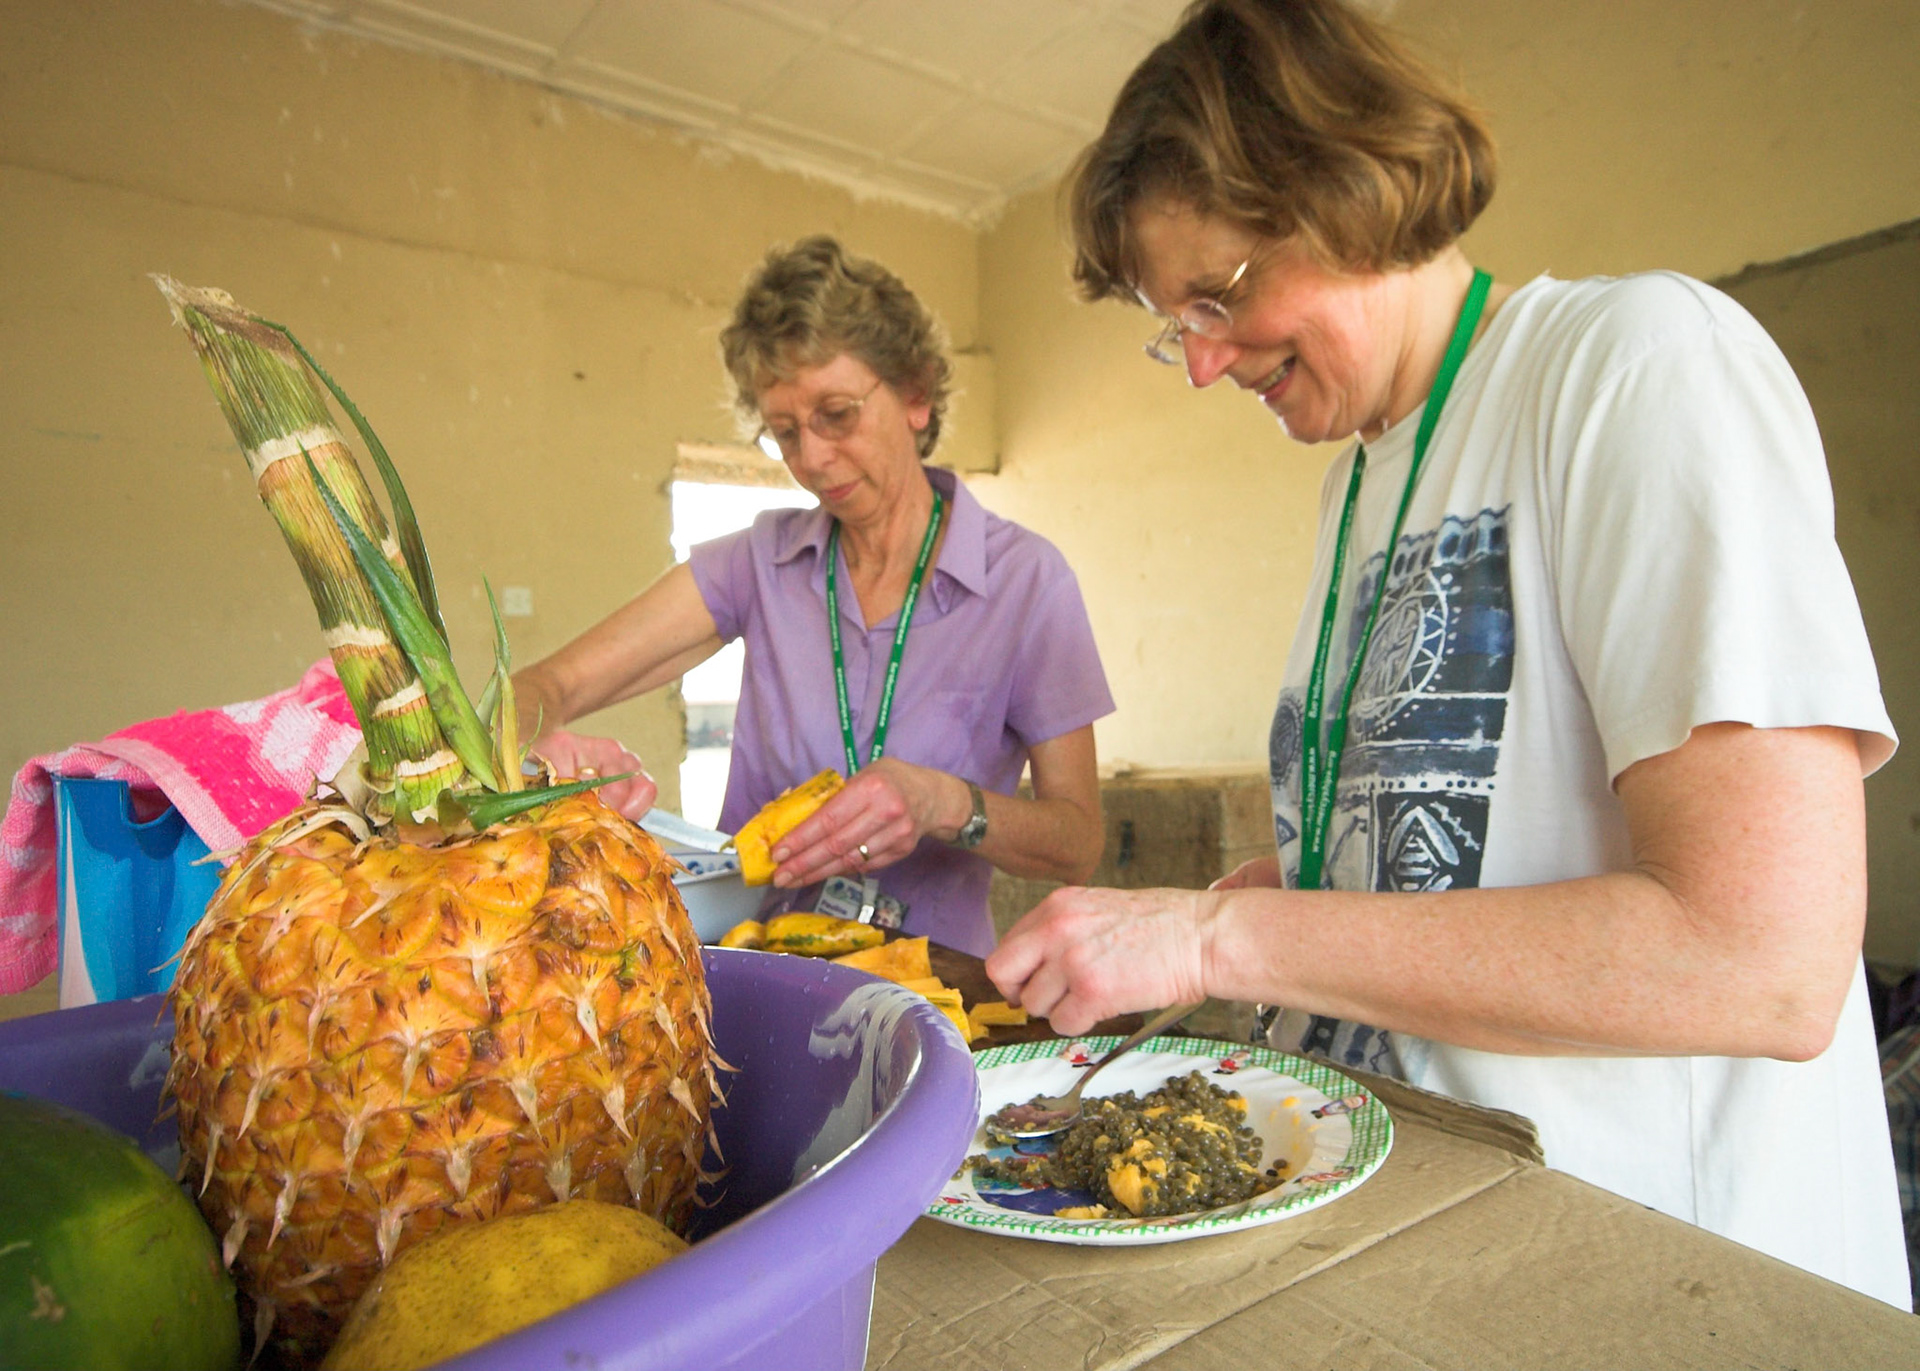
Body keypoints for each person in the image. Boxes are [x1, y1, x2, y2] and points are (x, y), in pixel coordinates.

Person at [985, 0, 1909, 1306]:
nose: (1197, 364)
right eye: (1167, 322)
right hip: (1448, 1255)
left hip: (1675, 1286)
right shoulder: (1357, 483)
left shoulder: (1635, 365)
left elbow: (1761, 958)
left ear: (1346, 188)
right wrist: (1303, 890)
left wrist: (1217, 935)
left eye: (1216, 296)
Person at [515, 236, 1114, 957]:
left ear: (916, 395)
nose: (813, 459)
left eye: (838, 414)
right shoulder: (759, 563)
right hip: (751, 970)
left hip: (933, 992)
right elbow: (549, 684)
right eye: (786, 432)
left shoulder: (1026, 582)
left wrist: (946, 803)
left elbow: (1078, 841)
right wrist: (536, 751)